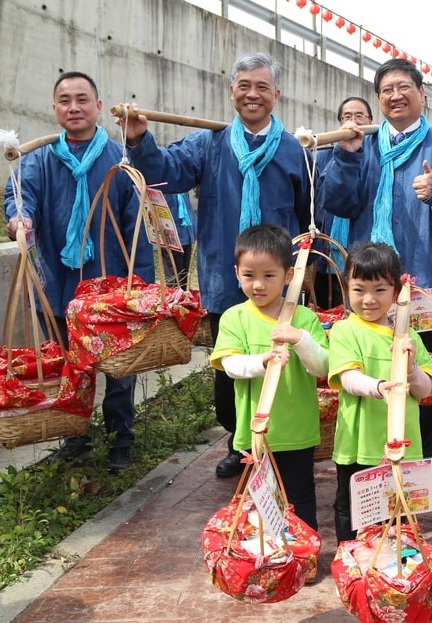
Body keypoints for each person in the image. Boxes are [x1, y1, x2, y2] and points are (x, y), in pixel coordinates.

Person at [118, 52, 313, 479]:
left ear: (277, 95)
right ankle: (237, 440)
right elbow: (167, 174)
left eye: (262, 86)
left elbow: (306, 214)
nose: (252, 94)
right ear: (231, 92)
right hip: (227, 278)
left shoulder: (293, 150)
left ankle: (281, 443)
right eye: (244, 85)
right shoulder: (210, 143)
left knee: (281, 362)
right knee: (230, 369)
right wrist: (139, 141)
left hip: (281, 284)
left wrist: (302, 269)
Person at [323, 58, 432, 480]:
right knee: (366, 366)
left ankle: (423, 451)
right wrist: (347, 156)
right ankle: (367, 452)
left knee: (417, 366)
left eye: (404, 86)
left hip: (420, 281)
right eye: (387, 89)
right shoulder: (363, 144)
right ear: (378, 99)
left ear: (422, 94)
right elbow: (337, 202)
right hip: (368, 287)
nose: (395, 95)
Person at [4, 71, 154, 472]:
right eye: (65, 100)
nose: (74, 107)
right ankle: (76, 437)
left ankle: (121, 435)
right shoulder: (38, 158)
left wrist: (139, 290)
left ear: (98, 107)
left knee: (118, 369)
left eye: (82, 99)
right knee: (71, 367)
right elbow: (20, 196)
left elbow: (136, 228)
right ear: (54, 108)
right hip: (56, 282)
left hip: (108, 288)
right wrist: (19, 219)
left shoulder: (119, 160)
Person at [209, 224, 328, 530]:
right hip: (255, 433)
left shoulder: (305, 319)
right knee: (262, 502)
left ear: (288, 276)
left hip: (296, 431)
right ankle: (274, 561)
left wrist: (300, 339)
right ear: (237, 273)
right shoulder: (235, 317)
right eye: (249, 275)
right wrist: (262, 361)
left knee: (300, 498)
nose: (258, 285)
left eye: (269, 276)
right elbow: (230, 364)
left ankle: (304, 558)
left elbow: (323, 368)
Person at [328, 242, 432, 542]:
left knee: (398, 511)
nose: (368, 300)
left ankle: (388, 573)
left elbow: (426, 389)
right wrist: (378, 388)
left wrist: (411, 366)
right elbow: (347, 377)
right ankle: (351, 568)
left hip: (402, 445)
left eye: (379, 290)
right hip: (357, 443)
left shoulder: (408, 336)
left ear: (397, 292)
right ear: (347, 289)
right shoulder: (344, 331)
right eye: (359, 289)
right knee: (351, 508)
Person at [312, 96, 374, 309]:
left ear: (371, 121)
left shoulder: (377, 155)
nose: (353, 121)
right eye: (347, 116)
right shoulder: (324, 156)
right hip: (327, 255)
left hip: (363, 255)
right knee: (324, 314)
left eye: (359, 116)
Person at [157, 192, 196, 290]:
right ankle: (174, 302)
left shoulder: (183, 189)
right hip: (170, 236)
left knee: (183, 276)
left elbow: (187, 208)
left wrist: (194, 230)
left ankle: (182, 301)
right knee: (173, 279)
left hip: (185, 234)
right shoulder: (165, 189)